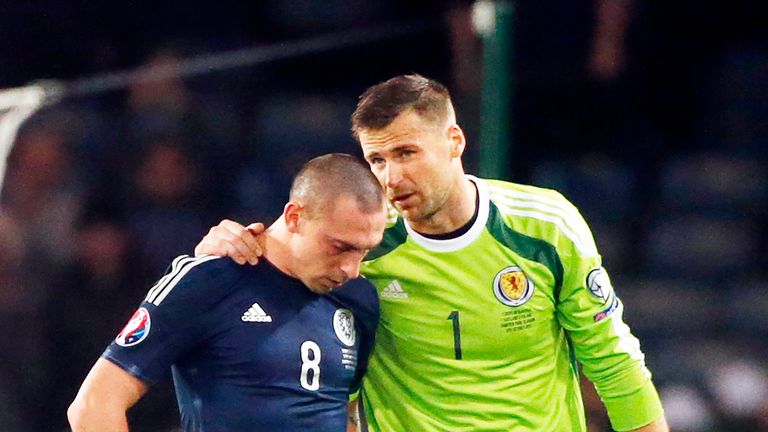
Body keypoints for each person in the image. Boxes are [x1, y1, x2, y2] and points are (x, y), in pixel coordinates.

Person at [194, 74, 668, 431]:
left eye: (406, 153)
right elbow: (272, 258)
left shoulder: (545, 227)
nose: (391, 178)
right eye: (377, 160)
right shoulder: (361, 243)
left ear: (454, 141)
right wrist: (220, 249)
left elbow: (613, 360)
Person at [67, 153, 387, 431]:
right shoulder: (210, 280)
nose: (352, 269)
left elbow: (346, 413)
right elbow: (95, 404)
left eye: (364, 251)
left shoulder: (359, 300)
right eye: (340, 247)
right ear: (294, 217)